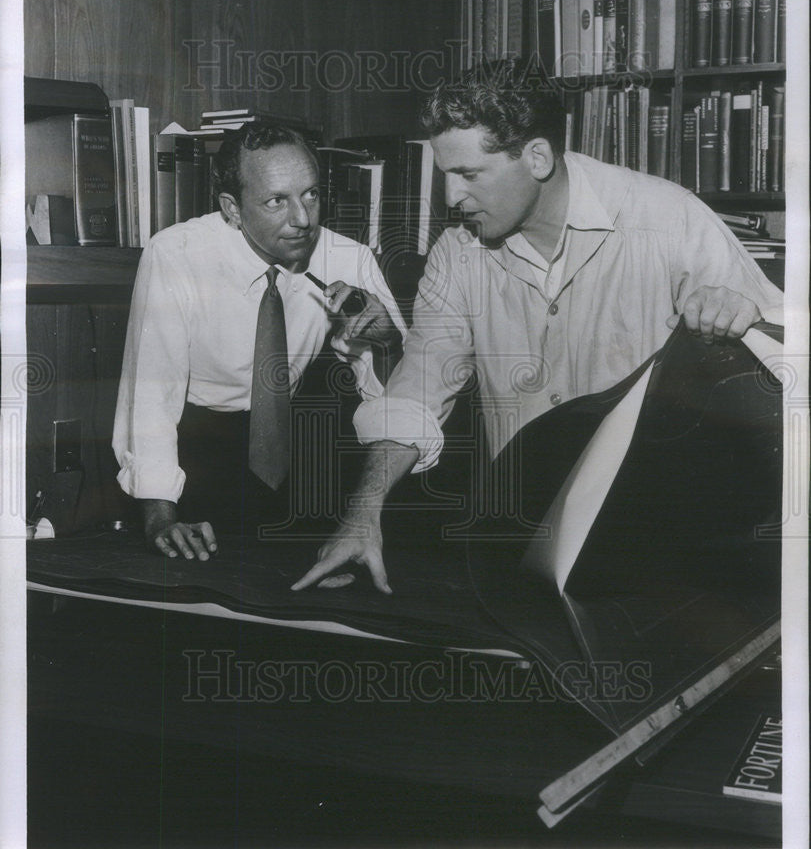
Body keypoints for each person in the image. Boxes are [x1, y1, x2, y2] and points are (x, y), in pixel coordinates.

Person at [291, 72, 783, 594]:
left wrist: (739, 313)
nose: (452, 196)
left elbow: (782, 359)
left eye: (468, 174)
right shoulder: (456, 256)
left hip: (659, 540)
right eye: (445, 173)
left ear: (539, 159)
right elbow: (417, 391)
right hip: (521, 534)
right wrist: (363, 514)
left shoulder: (666, 218)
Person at [113, 122, 406, 562]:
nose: (303, 218)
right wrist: (160, 518)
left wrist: (387, 344)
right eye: (277, 201)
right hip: (199, 455)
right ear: (232, 207)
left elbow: (400, 400)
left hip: (298, 453)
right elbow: (153, 398)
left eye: (311, 194)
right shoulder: (175, 256)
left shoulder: (349, 257)